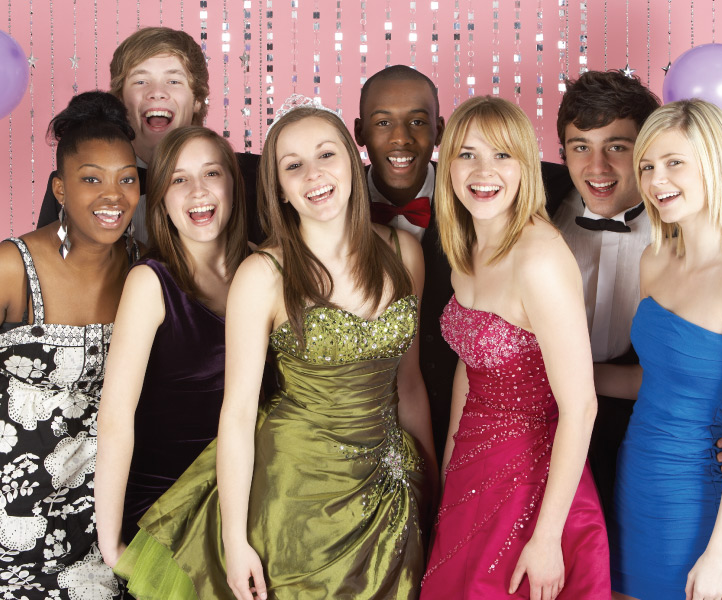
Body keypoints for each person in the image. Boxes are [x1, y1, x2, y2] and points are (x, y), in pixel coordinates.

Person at [113, 96, 436, 600]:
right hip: (291, 495)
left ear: (352, 163)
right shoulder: (262, 274)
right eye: (293, 165)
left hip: (390, 488)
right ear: (280, 188)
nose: (313, 174)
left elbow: (409, 384)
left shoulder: (404, 254)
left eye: (326, 155)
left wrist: (433, 489)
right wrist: (235, 538)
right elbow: (238, 414)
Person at [552, 70, 722, 519]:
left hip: (643, 442)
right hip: (547, 428)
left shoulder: (720, 234)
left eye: (617, 146)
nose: (597, 167)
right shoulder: (533, 198)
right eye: (581, 147)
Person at [421, 95, 610, 599]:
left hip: (536, 479)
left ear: (526, 164)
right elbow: (471, 367)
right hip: (472, 466)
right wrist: (448, 477)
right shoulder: (465, 245)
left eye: (502, 155)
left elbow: (581, 406)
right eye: (467, 154)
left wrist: (547, 537)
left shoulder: (540, 260)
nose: (484, 171)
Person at [356, 65, 573, 463]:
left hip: (470, 430)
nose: (401, 137)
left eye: (417, 122)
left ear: (439, 131)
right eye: (383, 122)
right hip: (357, 429)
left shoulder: (485, 198)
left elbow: (586, 172)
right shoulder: (327, 199)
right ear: (359, 133)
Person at [609, 99, 722, 600]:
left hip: (693, 494)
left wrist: (721, 549)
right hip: (634, 472)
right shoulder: (654, 259)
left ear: (714, 163)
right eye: (647, 166)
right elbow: (652, 379)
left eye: (674, 162)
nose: (657, 180)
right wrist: (561, 369)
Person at [0, 91, 140, 598]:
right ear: (60, 188)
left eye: (127, 178)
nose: (113, 195)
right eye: (91, 179)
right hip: (12, 519)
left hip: (107, 520)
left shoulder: (145, 273)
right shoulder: (13, 267)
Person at [94, 126, 249, 572]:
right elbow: (115, 418)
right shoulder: (149, 283)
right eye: (179, 180)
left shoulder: (264, 270)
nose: (197, 191)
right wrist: (111, 544)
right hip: (168, 512)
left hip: (250, 506)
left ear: (233, 185)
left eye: (211, 173)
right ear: (160, 197)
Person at [36, 27, 262, 245]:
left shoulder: (255, 176)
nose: (156, 93)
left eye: (173, 81)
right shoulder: (76, 182)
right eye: (140, 81)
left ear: (197, 100)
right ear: (120, 100)